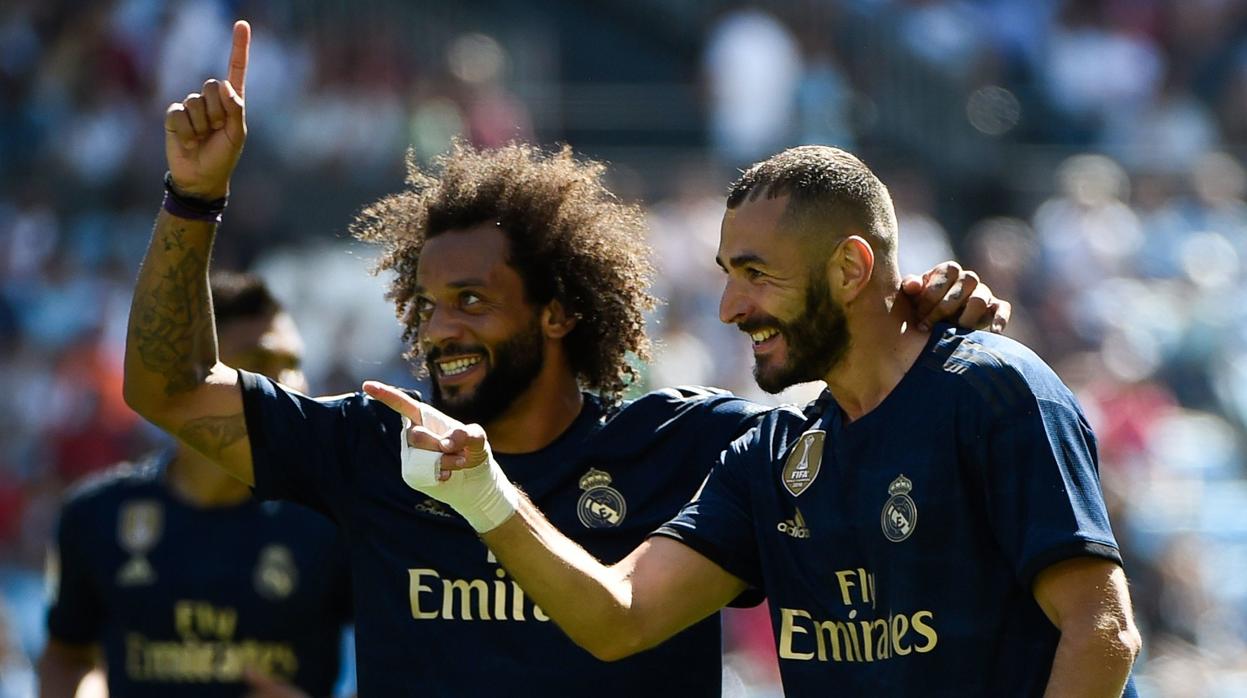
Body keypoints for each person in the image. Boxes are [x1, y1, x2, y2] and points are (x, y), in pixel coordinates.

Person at [123, 21, 1009, 696]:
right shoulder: (376, 446)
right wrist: (194, 199)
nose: (439, 330)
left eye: (471, 301)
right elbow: (164, 388)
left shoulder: (696, 449)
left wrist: (919, 327)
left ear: (557, 313)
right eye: (427, 306)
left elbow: (878, 447)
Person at [376, 145, 1143, 697]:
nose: (729, 309)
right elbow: (620, 616)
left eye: (755, 275)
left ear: (848, 269)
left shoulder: (991, 392)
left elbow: (1102, 635)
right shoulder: (772, 457)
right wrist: (483, 494)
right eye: (726, 276)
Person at [41, 272, 353, 698]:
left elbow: (413, 662)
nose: (289, 388)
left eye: (294, 366)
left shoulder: (335, 520)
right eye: (260, 365)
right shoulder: (96, 514)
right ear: (194, 379)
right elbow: (67, 656)